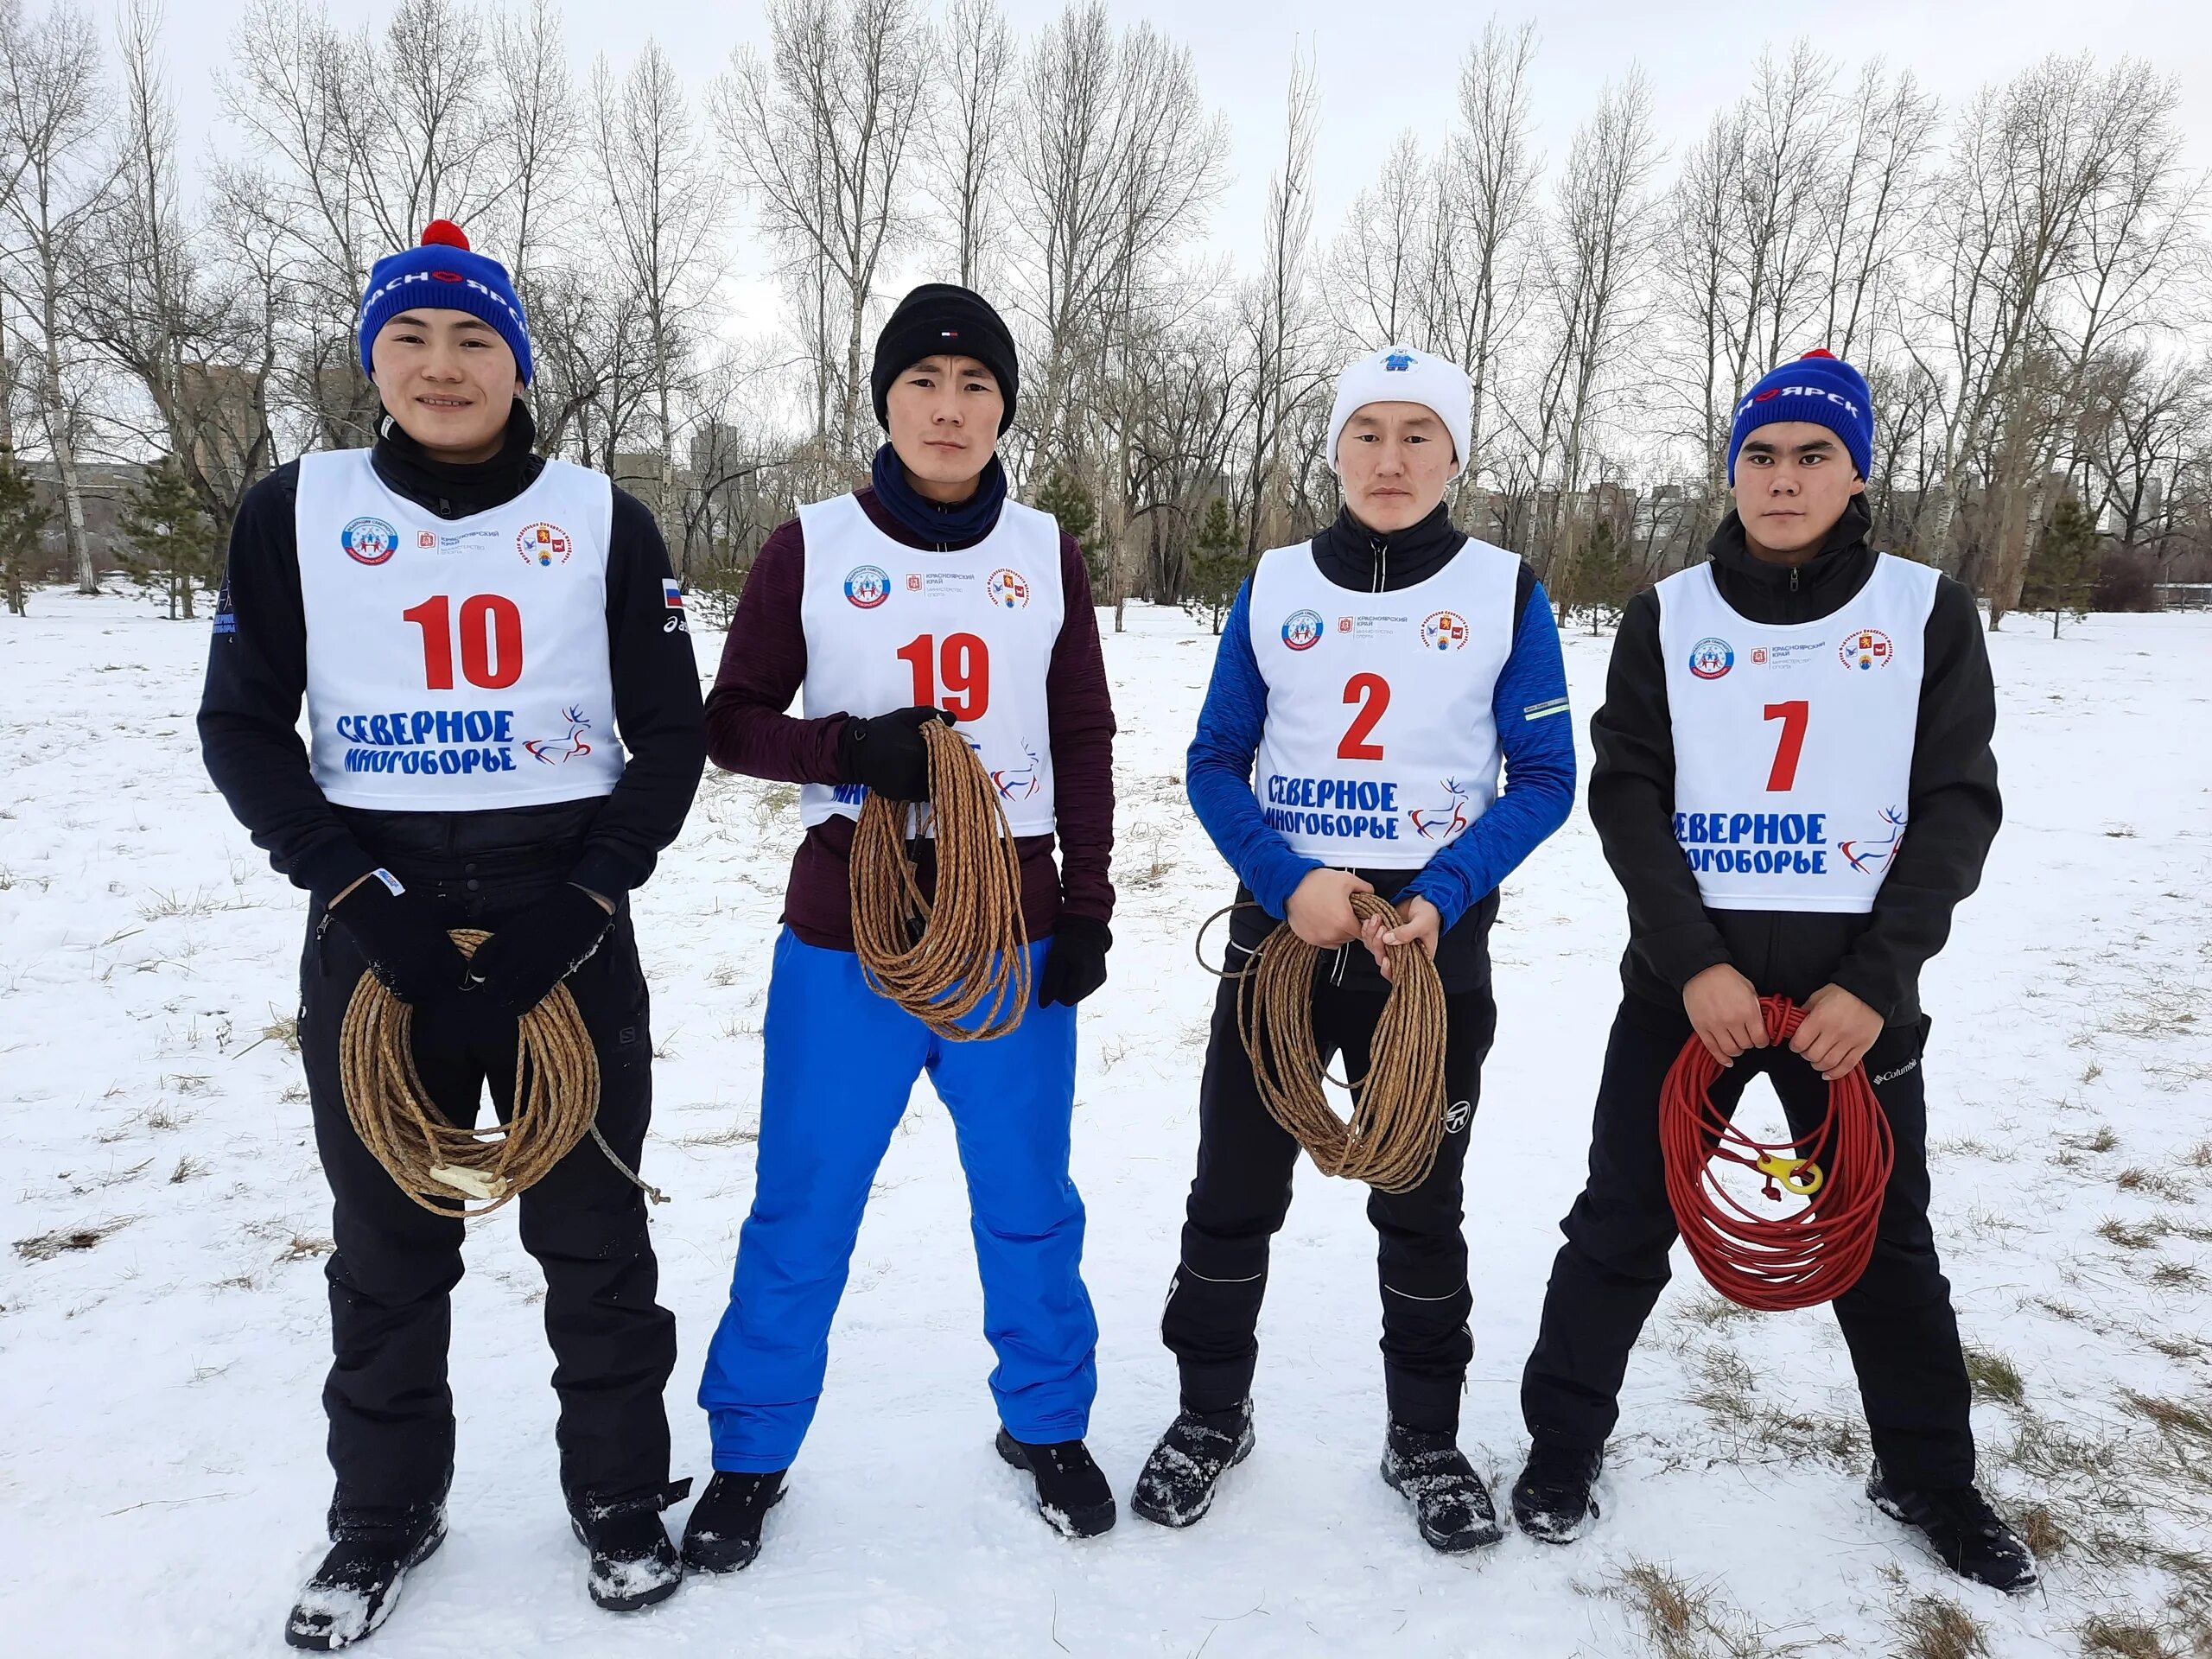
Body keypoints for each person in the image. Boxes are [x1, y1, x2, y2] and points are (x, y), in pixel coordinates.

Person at [198, 220, 707, 1649]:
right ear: (374, 360)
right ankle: (382, 1511)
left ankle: (614, 1496)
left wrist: (592, 898)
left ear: (520, 364)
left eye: (475, 338)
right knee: (387, 1236)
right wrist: (357, 901)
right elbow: (241, 725)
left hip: (566, 914)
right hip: (380, 919)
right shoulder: (294, 509)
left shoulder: (605, 518)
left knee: (594, 1229)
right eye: (410, 338)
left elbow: (666, 732)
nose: (442, 365)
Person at [1510, 350, 2035, 1593]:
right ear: (1732, 468)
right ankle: (1561, 1448)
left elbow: (1956, 805)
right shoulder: (1669, 610)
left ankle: (1931, 1479)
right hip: (1689, 991)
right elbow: (1628, 790)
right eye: (1761, 454)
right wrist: (1690, 960)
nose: (1784, 478)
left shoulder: (1924, 609)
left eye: (1813, 456)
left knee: (1882, 1238)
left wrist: (1876, 982)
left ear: (1857, 473)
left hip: (1852, 1003)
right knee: (1625, 1217)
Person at [683, 283, 1118, 1569]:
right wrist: (849, 746)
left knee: (1028, 1197)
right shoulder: (808, 543)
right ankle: (751, 1451)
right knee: (805, 1198)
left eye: (976, 386)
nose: (948, 408)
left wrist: (1085, 906)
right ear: (884, 401)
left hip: (1012, 923)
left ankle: (1045, 1422)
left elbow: (1085, 731)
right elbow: (731, 720)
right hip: (847, 929)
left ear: (1004, 410)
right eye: (924, 384)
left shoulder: (1046, 549)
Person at [1132, 346, 1576, 1553]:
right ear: (1335, 449)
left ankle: (1424, 1439)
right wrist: (1290, 881)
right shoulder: (1277, 584)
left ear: (1456, 453)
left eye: (1418, 434)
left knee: (1421, 1202)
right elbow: (1215, 761)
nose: (1390, 458)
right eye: (1366, 433)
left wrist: (1440, 892)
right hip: (1282, 939)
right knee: (1231, 1194)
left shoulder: (1503, 588)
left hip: (1426, 953)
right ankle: (1209, 1413)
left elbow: (1543, 778)